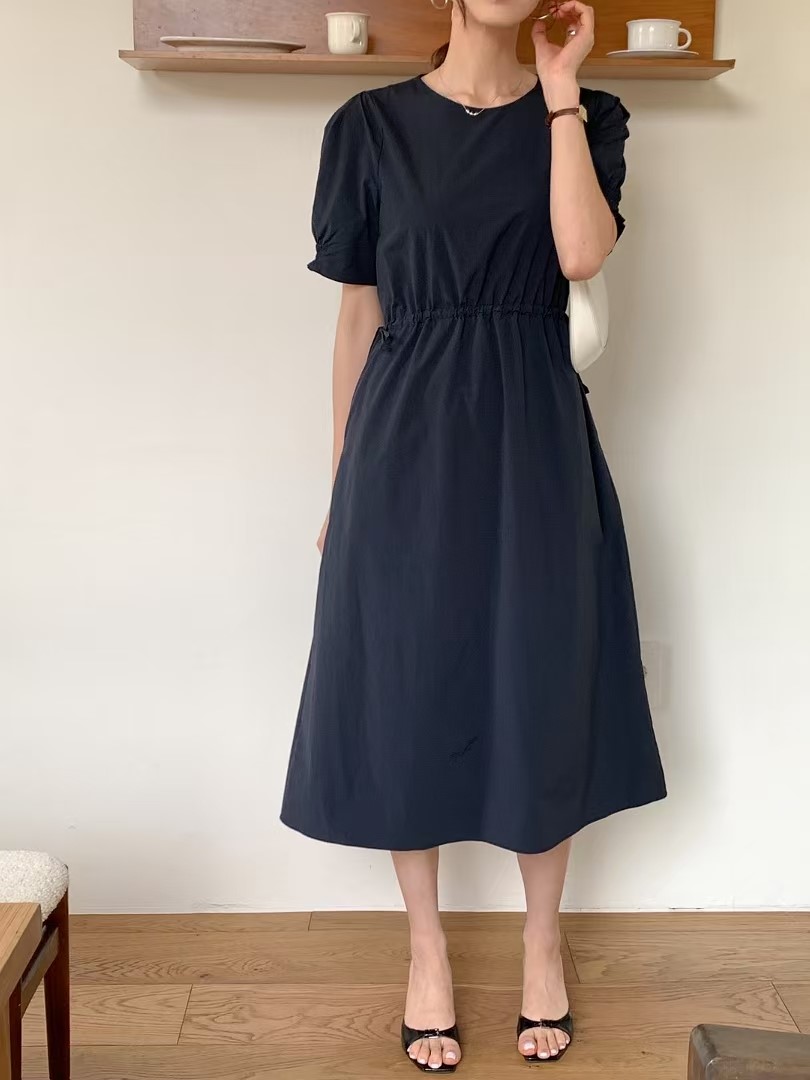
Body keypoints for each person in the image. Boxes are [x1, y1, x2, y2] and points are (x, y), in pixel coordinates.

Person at [280, 0, 668, 1069]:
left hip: (535, 434)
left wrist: (559, 91)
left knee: (541, 678)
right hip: (403, 441)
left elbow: (579, 255)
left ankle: (543, 942)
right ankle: (426, 950)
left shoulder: (590, 115)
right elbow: (357, 317)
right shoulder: (369, 127)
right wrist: (342, 481)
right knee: (408, 682)